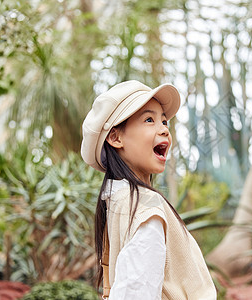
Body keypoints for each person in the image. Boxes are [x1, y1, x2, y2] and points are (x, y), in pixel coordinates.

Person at [81, 80, 217, 299]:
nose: (164, 129)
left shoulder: (118, 201)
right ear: (116, 138)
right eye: (149, 119)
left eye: (164, 121)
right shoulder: (143, 208)